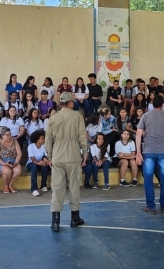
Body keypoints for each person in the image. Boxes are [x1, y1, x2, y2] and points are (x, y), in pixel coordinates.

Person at [45, 92, 89, 232]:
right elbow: (82, 137)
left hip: (57, 155)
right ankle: (75, 219)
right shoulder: (77, 116)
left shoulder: (53, 118)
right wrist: (85, 153)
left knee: (57, 188)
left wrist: (50, 156)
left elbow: (48, 140)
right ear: (70, 103)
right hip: (73, 155)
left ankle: (55, 222)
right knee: (74, 187)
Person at [136, 95, 164, 215]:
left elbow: (138, 135)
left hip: (148, 151)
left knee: (148, 179)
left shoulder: (145, 116)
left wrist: (138, 153)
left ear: (152, 104)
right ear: (163, 105)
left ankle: (151, 206)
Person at [0, 127, 23, 193]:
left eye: (10, 134)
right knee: (7, 171)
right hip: (1, 162)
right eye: (7, 135)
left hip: (13, 160)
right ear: (2, 135)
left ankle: (10, 185)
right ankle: (5, 186)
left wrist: (16, 161)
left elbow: (19, 153)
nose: (9, 136)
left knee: (18, 170)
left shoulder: (14, 141)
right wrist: (4, 164)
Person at [27, 130, 50, 196]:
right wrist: (39, 163)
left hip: (40, 163)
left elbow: (45, 156)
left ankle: (43, 185)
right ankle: (34, 189)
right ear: (37, 139)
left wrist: (45, 160)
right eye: (42, 138)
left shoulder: (44, 146)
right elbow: (33, 160)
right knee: (34, 167)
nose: (43, 140)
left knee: (44, 166)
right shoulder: (30, 146)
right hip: (31, 164)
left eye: (44, 138)